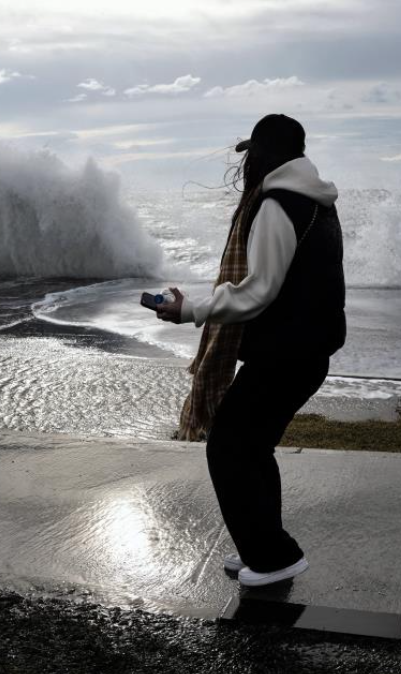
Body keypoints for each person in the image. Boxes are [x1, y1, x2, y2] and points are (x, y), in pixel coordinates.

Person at [154, 114, 345, 587]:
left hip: (286, 355)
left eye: (250, 154)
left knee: (228, 448)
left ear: (263, 154)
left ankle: (273, 556)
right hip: (304, 351)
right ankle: (261, 544)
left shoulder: (278, 205)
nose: (245, 166)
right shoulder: (315, 200)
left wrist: (190, 310)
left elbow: (259, 290)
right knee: (252, 448)